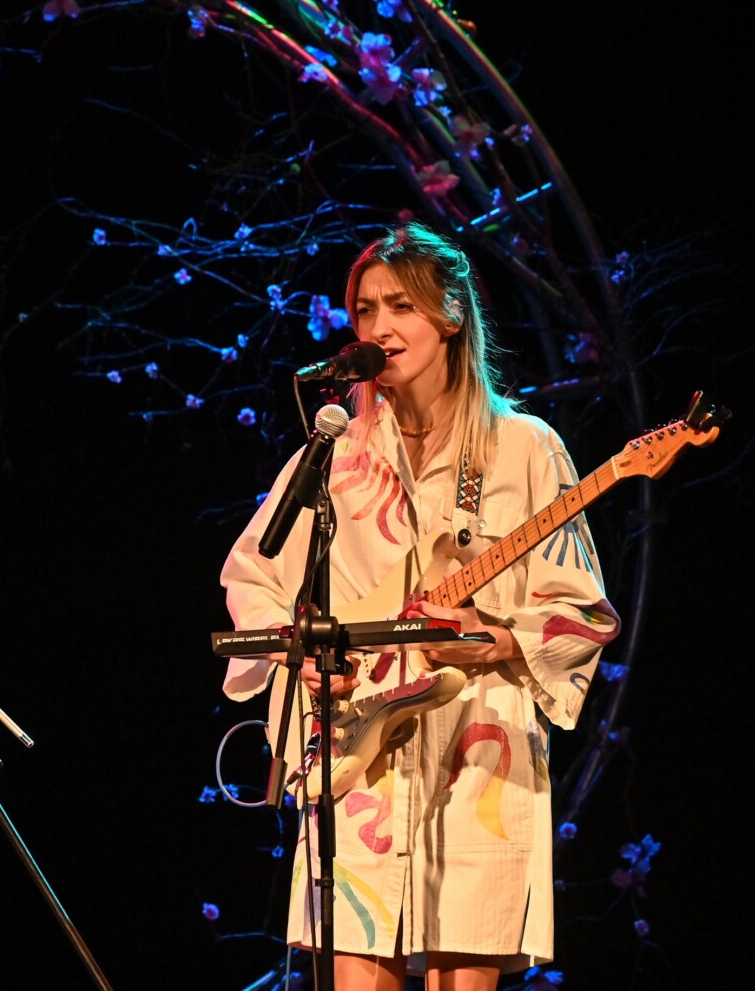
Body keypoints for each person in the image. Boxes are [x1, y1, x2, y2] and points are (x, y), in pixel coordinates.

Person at [220, 223, 618, 990]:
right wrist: (301, 657)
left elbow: (584, 607)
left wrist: (499, 639)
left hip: (479, 748)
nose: (377, 327)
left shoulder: (523, 448)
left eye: (399, 306)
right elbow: (252, 577)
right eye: (364, 310)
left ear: (451, 315)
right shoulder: (334, 454)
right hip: (355, 749)